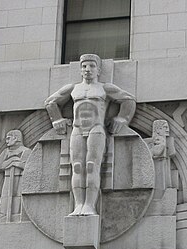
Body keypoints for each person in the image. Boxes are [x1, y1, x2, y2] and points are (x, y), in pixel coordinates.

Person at [45, 54, 136, 216]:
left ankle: (89, 205)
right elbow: (51, 102)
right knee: (78, 167)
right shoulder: (73, 89)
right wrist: (57, 119)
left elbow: (128, 100)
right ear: (80, 70)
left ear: (98, 70)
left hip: (96, 129)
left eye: (92, 66)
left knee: (92, 165)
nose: (88, 69)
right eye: (85, 66)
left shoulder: (104, 88)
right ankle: (78, 205)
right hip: (77, 129)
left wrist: (122, 119)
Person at [0, 130, 30, 222]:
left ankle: (17, 215)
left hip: (20, 179)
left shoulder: (26, 151)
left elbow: (27, 166)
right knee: (5, 198)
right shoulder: (6, 152)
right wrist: (13, 160)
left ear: (16, 138)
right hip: (8, 178)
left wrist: (15, 163)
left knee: (18, 199)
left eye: (8, 138)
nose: (6, 141)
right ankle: (3, 216)